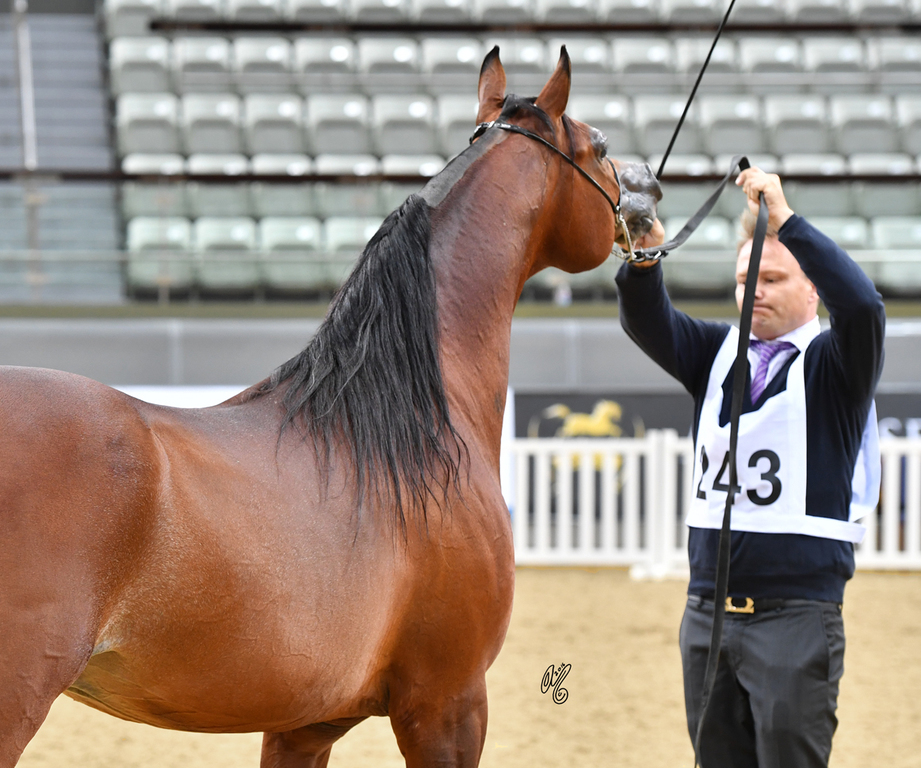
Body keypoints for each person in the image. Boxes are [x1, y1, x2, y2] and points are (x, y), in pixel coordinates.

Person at [615, 167, 886, 768]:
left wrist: (787, 221)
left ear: (812, 289)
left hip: (795, 617)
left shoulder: (835, 366)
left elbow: (864, 307)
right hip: (707, 614)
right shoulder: (714, 352)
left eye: (771, 277)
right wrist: (643, 260)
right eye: (744, 280)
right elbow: (646, 320)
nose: (753, 292)